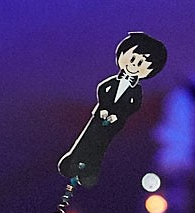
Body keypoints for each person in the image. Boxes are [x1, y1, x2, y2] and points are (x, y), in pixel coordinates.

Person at [57, 33, 167, 186]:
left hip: (115, 123)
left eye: (140, 63)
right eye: (132, 59)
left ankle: (89, 172)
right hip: (99, 116)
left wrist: (118, 115)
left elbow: (134, 105)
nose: (133, 65)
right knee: (87, 138)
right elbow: (102, 89)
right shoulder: (112, 82)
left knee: (101, 145)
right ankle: (71, 162)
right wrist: (103, 108)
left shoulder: (136, 91)